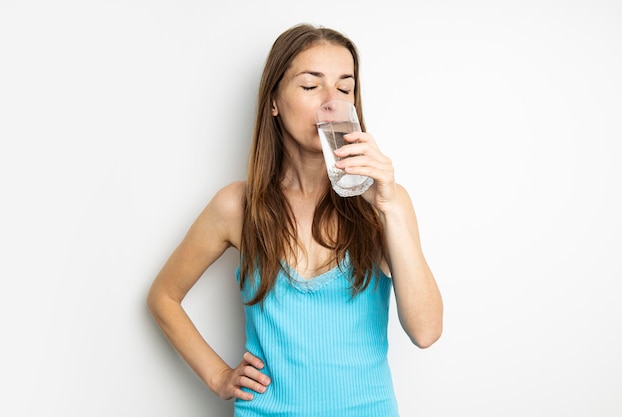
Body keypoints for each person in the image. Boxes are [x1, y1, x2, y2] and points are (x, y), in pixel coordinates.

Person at [147, 23, 443, 417]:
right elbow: (163, 297)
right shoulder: (237, 206)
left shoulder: (386, 202)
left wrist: (389, 204)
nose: (330, 102)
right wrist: (218, 376)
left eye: (344, 88)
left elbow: (425, 332)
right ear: (274, 101)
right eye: (310, 86)